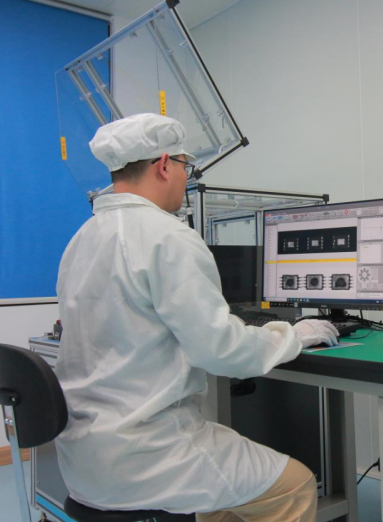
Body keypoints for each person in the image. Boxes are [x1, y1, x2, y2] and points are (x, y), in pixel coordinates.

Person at [55, 113, 339, 522]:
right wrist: (295, 335)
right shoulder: (167, 236)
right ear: (164, 165)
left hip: (86, 458)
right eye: (185, 167)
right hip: (149, 453)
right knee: (295, 484)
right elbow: (221, 349)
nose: (186, 179)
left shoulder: (82, 239)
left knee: (221, 499)